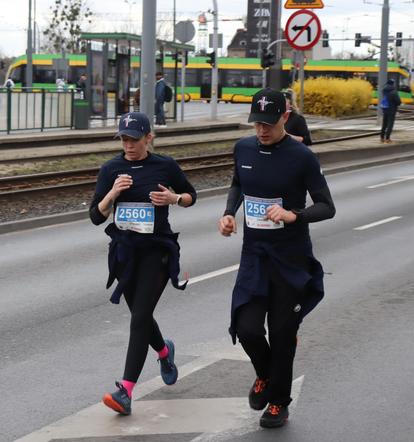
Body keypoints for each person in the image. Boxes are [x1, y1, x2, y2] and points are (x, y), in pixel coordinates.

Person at [218, 88, 335, 428]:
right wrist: (229, 213)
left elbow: (327, 206)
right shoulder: (243, 148)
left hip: (290, 257)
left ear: (286, 117)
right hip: (255, 255)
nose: (262, 130)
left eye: (269, 123)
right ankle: (266, 376)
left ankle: (279, 403)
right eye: (257, 123)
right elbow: (238, 184)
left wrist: (294, 215)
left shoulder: (302, 157)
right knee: (247, 328)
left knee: (283, 332)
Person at [90, 112, 197, 415]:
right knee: (141, 316)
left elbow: (192, 196)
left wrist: (174, 199)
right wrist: (112, 193)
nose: (128, 145)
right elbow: (95, 217)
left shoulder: (164, 165)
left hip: (157, 251)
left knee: (139, 318)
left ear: (149, 138)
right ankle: (164, 352)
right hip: (125, 254)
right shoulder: (111, 169)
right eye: (124, 139)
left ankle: (125, 391)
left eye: (134, 139)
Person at [379, 79, 402, 144]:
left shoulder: (384, 91)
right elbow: (398, 102)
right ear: (393, 84)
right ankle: (387, 139)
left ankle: (381, 138)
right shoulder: (394, 92)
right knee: (390, 124)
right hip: (391, 110)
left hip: (385, 109)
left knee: (384, 124)